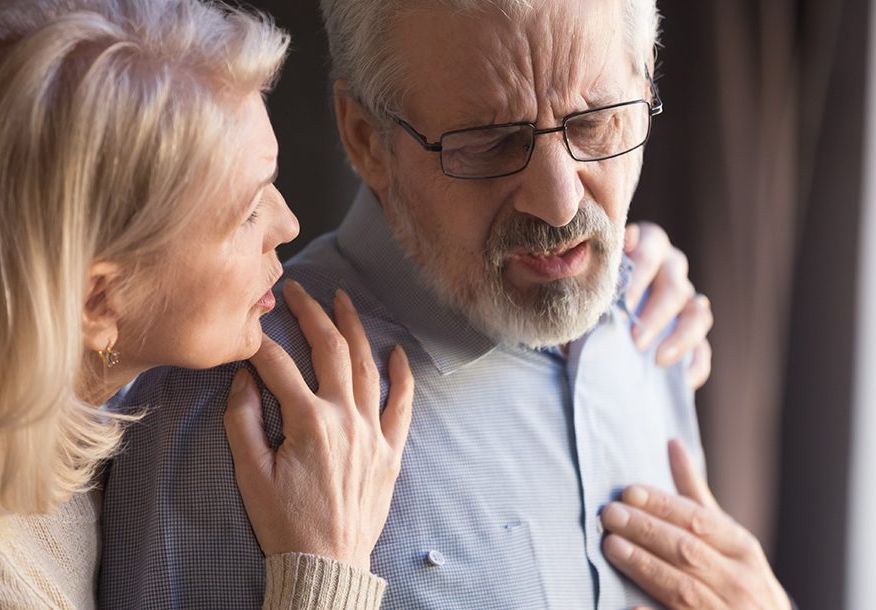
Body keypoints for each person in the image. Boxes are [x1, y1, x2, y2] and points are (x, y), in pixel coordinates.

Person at [98, 1, 779, 609]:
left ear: (645, 78)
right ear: (367, 140)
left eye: (596, 123)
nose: (561, 202)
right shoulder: (235, 406)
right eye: (489, 142)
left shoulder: (658, 321)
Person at [0, 1, 416, 608]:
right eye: (245, 212)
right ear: (96, 300)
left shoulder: (22, 408)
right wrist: (324, 568)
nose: (288, 224)